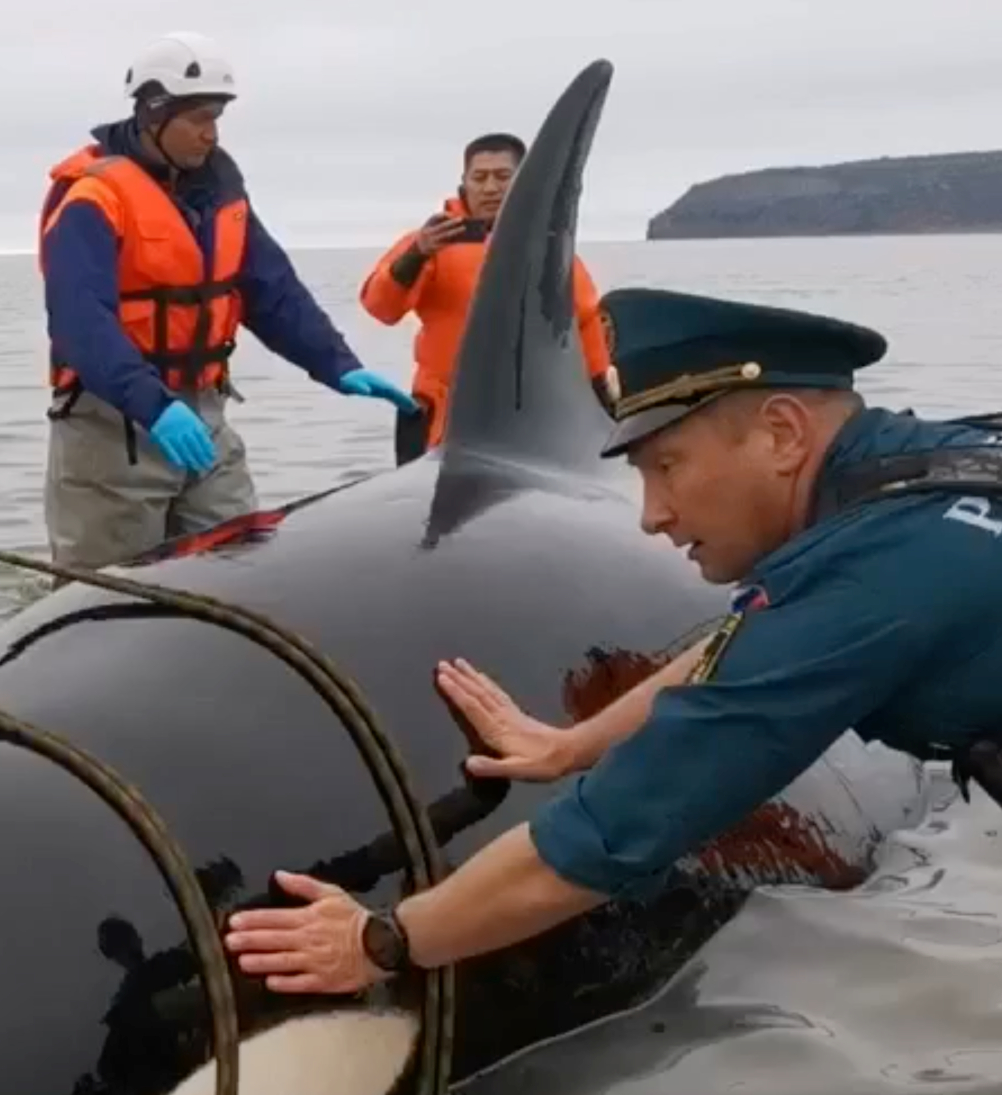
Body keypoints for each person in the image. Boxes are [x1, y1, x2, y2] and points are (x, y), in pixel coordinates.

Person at [222, 288, 1002, 997]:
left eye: (668, 464)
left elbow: (614, 832)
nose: (651, 514)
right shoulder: (929, 478)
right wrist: (574, 744)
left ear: (782, 433)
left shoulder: (867, 589)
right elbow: (761, 638)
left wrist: (383, 940)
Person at [38, 30, 414, 570]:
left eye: (217, 118)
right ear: (153, 113)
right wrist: (153, 405)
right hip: (112, 424)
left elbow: (272, 290)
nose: (211, 133)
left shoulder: (220, 190)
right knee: (106, 590)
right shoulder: (92, 198)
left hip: (204, 414)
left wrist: (337, 363)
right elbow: (81, 323)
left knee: (239, 561)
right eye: (198, 119)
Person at [361, 132, 615, 464]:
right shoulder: (431, 243)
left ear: (523, 183)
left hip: (530, 419)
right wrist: (416, 255)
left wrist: (605, 407)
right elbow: (381, 308)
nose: (490, 188)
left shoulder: (551, 252)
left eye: (502, 176)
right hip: (442, 420)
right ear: (464, 183)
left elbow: (586, 326)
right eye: (479, 178)